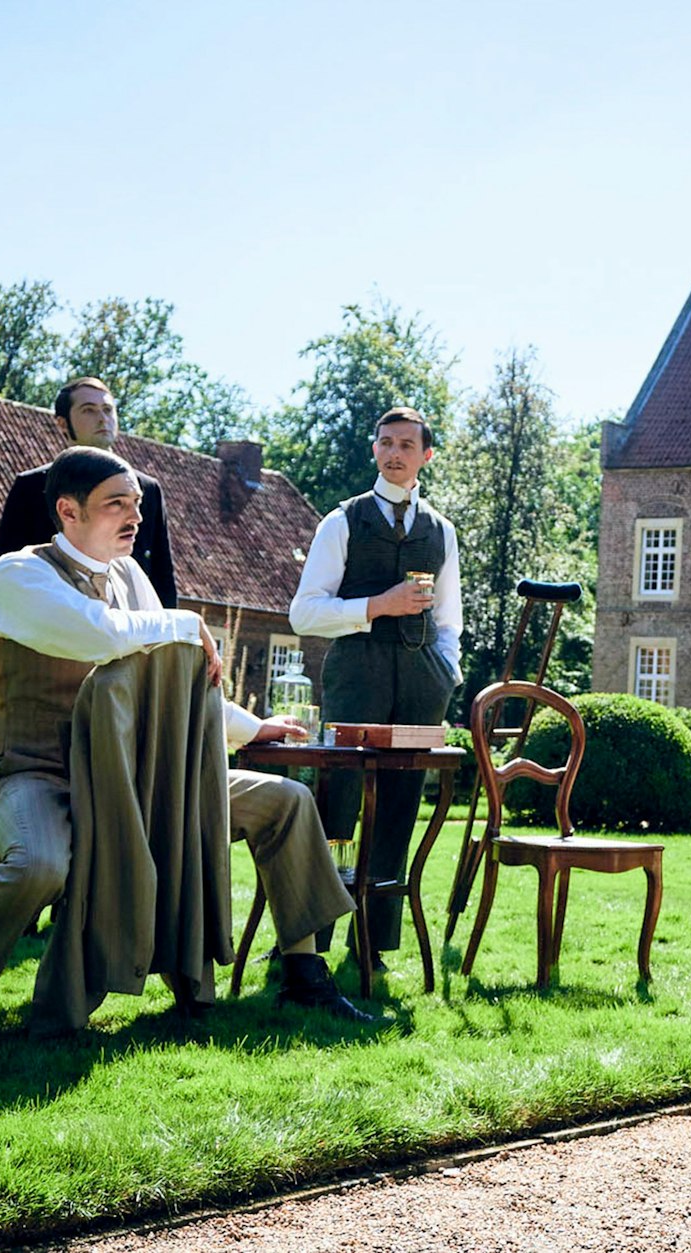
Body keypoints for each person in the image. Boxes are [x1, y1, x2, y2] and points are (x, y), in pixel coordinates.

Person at [0, 448, 367, 1051]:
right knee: (40, 863)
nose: (135, 517)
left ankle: (303, 974)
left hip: (139, 779)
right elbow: (100, 633)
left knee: (286, 801)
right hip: (34, 772)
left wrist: (250, 728)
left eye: (137, 505)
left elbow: (166, 685)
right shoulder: (19, 574)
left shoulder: (133, 579)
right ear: (68, 510)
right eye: (117, 503)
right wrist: (182, 622)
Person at [290, 407, 462, 970]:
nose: (395, 452)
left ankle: (373, 945)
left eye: (407, 445)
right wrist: (377, 607)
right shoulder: (342, 521)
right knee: (337, 804)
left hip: (419, 679)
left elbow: (450, 620)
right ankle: (313, 936)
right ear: (374, 451)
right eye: (385, 442)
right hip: (356, 670)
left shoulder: (442, 531)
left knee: (398, 807)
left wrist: (445, 670)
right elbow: (303, 614)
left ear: (425, 456)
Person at [0, 377, 178, 610]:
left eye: (108, 409)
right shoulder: (33, 486)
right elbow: (7, 566)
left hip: (132, 631)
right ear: (62, 423)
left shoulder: (147, 489)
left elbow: (162, 576)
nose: (102, 418)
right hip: (51, 624)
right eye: (88, 410)